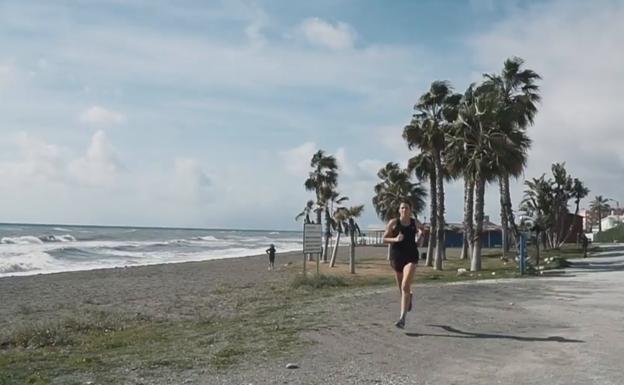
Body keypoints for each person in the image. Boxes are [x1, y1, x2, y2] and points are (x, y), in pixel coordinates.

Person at [383, 201, 423, 329]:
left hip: (411, 256)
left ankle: (402, 318)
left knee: (406, 285)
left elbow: (422, 234)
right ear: (399, 210)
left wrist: (421, 236)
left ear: (410, 210)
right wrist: (395, 239)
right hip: (397, 258)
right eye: (402, 208)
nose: (404, 210)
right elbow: (384, 238)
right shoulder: (394, 223)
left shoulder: (414, 223)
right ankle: (408, 298)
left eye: (406, 207)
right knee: (402, 289)